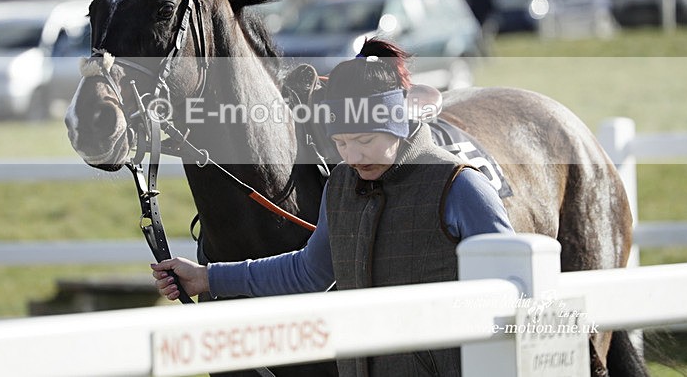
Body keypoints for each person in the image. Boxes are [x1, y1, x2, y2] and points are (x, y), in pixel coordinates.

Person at [152, 38, 514, 376]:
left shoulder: (460, 186)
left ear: (399, 121)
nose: (353, 156)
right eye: (341, 142)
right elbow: (309, 271)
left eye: (365, 139)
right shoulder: (341, 185)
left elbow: (515, 289)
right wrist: (208, 277)